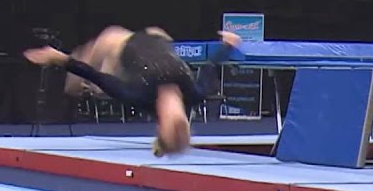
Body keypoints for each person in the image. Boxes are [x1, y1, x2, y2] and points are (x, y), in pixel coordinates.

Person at [23, 27, 242, 156]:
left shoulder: (138, 95)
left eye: (169, 116)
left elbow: (95, 75)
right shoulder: (194, 93)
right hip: (158, 39)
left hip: (120, 47)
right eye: (180, 117)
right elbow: (211, 65)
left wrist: (60, 59)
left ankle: (82, 63)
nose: (173, 108)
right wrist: (228, 44)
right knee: (157, 34)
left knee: (96, 62)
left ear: (160, 123)